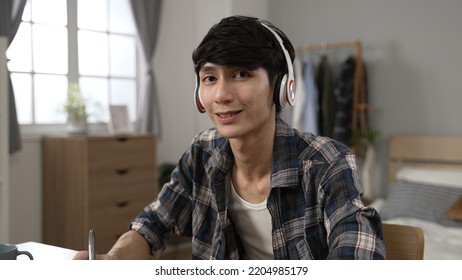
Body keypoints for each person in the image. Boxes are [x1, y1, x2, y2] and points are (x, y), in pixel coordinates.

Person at [74, 15, 386, 260]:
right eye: (210, 78)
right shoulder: (203, 153)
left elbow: (355, 253)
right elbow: (151, 225)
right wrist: (112, 259)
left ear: (282, 87)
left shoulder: (326, 161)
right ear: (199, 93)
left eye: (241, 74)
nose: (222, 95)